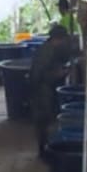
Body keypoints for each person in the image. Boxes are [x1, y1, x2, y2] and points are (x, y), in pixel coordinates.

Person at [29, 25, 73, 157]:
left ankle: (45, 148)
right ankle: (44, 150)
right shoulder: (46, 52)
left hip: (44, 88)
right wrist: (59, 74)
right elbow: (40, 75)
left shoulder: (51, 49)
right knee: (44, 120)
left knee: (45, 120)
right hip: (41, 90)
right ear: (58, 39)